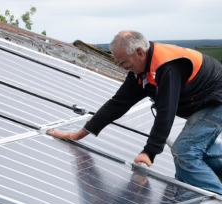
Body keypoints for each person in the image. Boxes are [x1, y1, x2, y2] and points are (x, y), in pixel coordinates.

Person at [47, 30, 222, 194]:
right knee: (201, 152)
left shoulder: (167, 67)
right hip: (201, 104)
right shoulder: (140, 71)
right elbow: (117, 104)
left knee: (185, 151)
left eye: (123, 62)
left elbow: (166, 112)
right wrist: (78, 134)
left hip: (215, 101)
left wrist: (149, 152)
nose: (122, 67)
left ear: (139, 52)